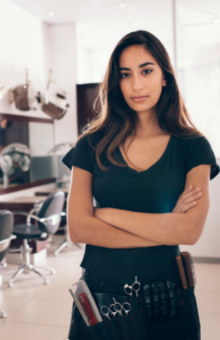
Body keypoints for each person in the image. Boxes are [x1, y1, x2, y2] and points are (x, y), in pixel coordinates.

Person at [62, 30, 219, 340]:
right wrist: (165, 228)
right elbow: (79, 228)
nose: (136, 84)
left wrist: (106, 213)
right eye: (125, 74)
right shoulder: (90, 145)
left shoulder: (192, 146)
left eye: (146, 70)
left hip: (169, 295)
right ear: (116, 82)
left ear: (164, 76)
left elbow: (189, 231)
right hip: (101, 294)